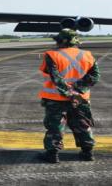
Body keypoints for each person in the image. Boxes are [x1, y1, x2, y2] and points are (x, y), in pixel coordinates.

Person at [38, 29, 100, 163]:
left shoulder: (52, 55)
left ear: (60, 41)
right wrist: (77, 90)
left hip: (56, 99)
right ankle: (88, 152)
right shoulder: (87, 55)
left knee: (55, 126)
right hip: (80, 98)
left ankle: (52, 154)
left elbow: (56, 78)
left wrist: (68, 92)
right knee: (83, 124)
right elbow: (95, 76)